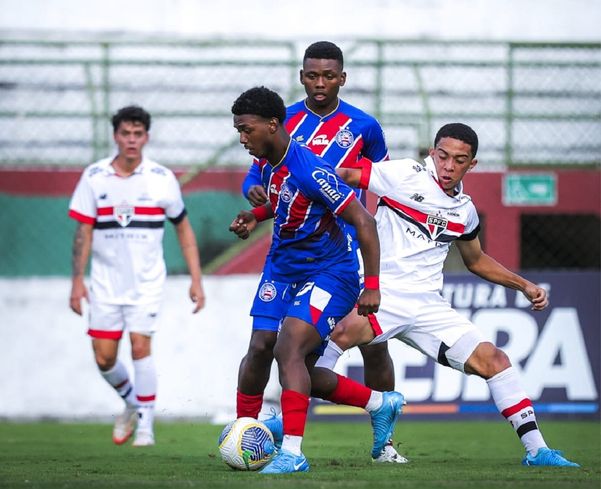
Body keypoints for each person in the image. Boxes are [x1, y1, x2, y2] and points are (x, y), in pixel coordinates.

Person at [314, 122, 580, 467]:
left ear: (472, 164)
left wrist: (524, 285)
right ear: (431, 153)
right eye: (443, 156)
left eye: (459, 160)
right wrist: (295, 181)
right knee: (329, 351)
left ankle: (538, 451)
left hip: (428, 306)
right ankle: (288, 431)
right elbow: (345, 174)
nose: (448, 166)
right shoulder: (405, 174)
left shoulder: (465, 211)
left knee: (495, 362)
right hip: (384, 293)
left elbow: (476, 260)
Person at [237, 41, 404, 463]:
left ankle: (298, 451)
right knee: (266, 348)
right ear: (301, 77)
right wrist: (257, 212)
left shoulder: (343, 140)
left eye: (328, 75)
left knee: (331, 347)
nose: (320, 83)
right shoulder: (274, 150)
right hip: (285, 262)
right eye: (312, 75)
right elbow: (281, 194)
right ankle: (245, 434)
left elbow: (368, 206)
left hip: (335, 261)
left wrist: (373, 282)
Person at [68, 105, 206, 447]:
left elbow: (184, 229)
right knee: (104, 358)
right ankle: (131, 401)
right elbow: (83, 232)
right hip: (104, 284)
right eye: (125, 134)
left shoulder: (160, 178)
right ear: (116, 136)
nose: (131, 140)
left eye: (137, 134)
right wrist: (76, 281)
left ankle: (145, 427)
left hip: (147, 282)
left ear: (146, 137)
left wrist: (196, 278)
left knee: (141, 346)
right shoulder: (95, 176)